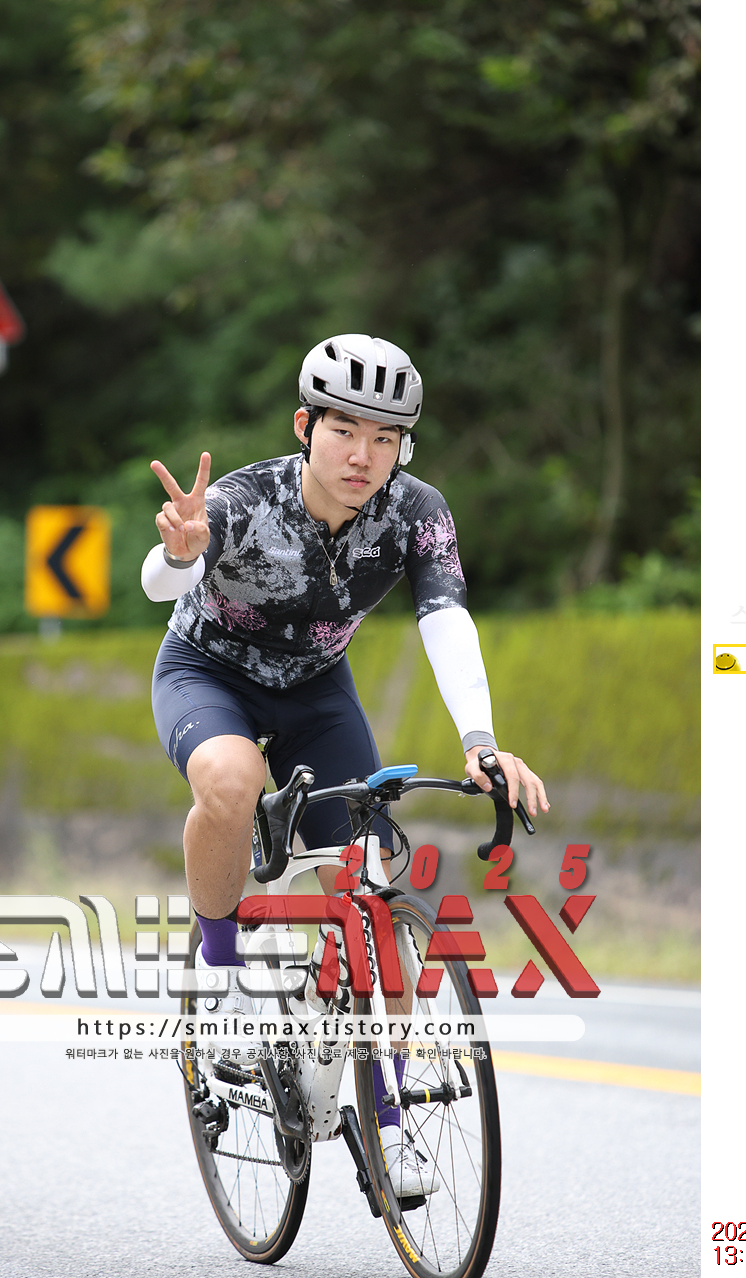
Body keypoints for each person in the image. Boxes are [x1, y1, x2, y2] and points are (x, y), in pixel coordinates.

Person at [141, 333, 547, 1193]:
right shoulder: (246, 499)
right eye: (344, 431)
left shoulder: (417, 512)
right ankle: (223, 972)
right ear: (306, 427)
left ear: (403, 446)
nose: (364, 455)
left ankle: (390, 1117)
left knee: (370, 896)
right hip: (208, 674)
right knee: (230, 783)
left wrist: (480, 741)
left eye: (385, 437)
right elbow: (159, 581)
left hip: (316, 693)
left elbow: (446, 617)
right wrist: (181, 552)